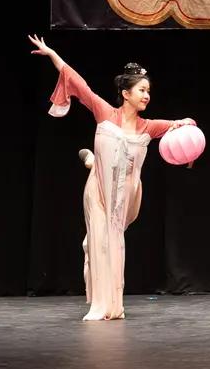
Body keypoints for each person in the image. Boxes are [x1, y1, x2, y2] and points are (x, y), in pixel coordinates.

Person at [28, 34, 196, 321]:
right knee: (101, 240)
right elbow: (78, 84)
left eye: (149, 91)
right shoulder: (105, 113)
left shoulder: (149, 126)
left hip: (126, 194)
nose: (147, 95)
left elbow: (185, 125)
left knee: (115, 241)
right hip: (100, 191)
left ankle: (92, 161)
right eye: (142, 90)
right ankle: (103, 305)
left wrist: (188, 134)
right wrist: (53, 54)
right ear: (126, 93)